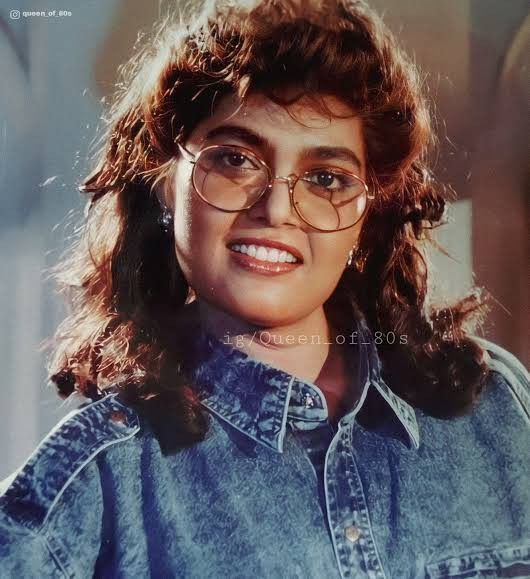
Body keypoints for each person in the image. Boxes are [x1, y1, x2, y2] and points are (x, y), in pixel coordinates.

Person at [1, 0, 529, 577]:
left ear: (368, 214)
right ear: (162, 182)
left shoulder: (496, 406)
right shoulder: (100, 479)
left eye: (325, 178)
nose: (277, 208)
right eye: (235, 159)